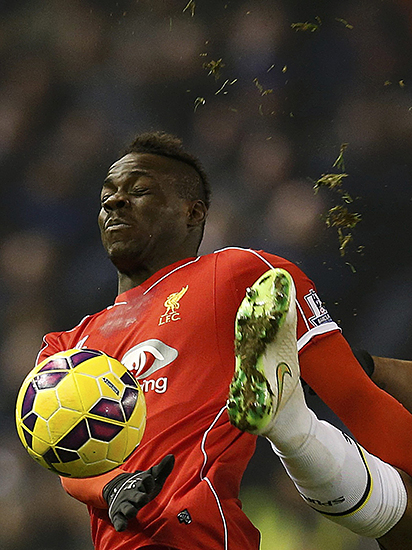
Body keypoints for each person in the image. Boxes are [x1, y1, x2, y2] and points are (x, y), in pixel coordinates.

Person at [35, 131, 412, 550]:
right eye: (108, 193)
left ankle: (293, 426)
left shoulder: (240, 275)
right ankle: (295, 430)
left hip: (204, 536)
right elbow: (64, 451)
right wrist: (111, 487)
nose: (114, 202)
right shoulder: (68, 346)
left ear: (192, 213)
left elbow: (355, 396)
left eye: (138, 191)